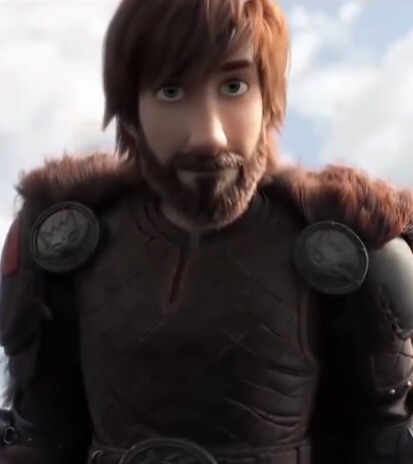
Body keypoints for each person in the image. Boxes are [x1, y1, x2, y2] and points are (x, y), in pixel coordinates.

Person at [1, 0, 413, 463]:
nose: (208, 136)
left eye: (234, 86)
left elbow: (383, 442)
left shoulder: (351, 251)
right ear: (131, 112)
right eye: (171, 91)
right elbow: (41, 442)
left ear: (268, 101)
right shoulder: (64, 247)